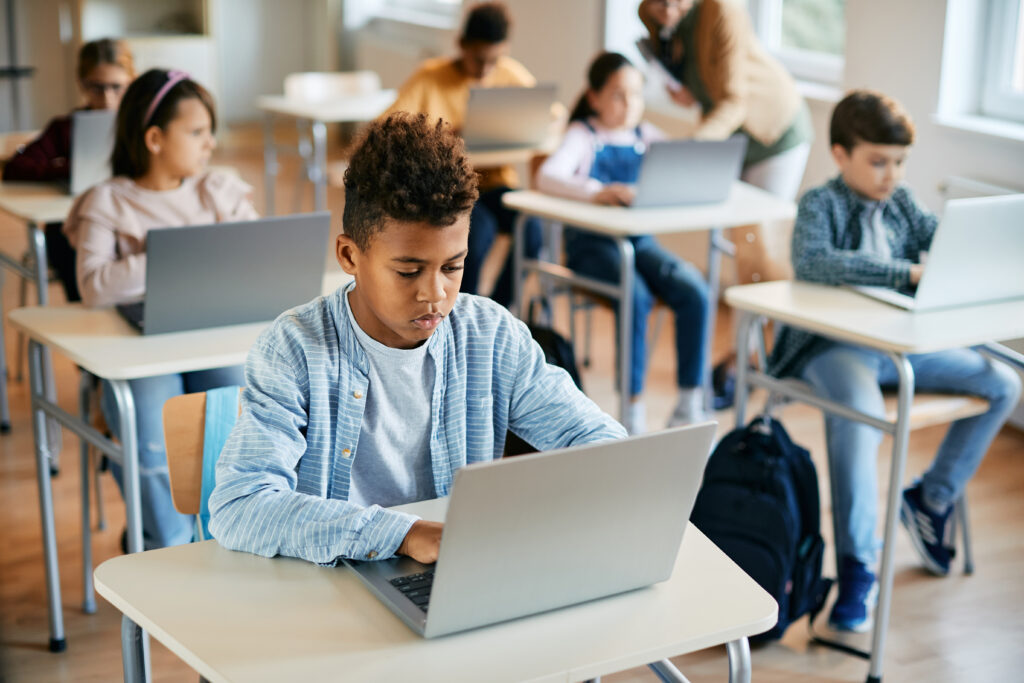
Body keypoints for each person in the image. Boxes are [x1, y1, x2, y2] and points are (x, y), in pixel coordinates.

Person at [208, 112, 626, 565]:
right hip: (328, 581)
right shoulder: (293, 349)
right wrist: (403, 535)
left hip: (451, 572)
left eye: (453, 266)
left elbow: (594, 439)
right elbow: (241, 505)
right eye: (408, 271)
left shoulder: (492, 335)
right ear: (350, 255)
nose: (436, 294)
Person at [769, 90, 1022, 633]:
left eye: (900, 161)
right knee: (861, 418)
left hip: (899, 346)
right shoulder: (821, 202)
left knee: (1003, 384)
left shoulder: (903, 202)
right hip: (829, 347)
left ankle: (931, 499)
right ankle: (859, 567)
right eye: (878, 161)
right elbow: (814, 261)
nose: (891, 174)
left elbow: (946, 242)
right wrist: (904, 273)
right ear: (840, 154)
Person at [64, 69, 258, 549]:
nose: (209, 144)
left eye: (210, 132)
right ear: (154, 138)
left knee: (238, 422)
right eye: (196, 133)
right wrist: (178, 256)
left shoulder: (219, 190)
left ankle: (222, 539)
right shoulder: (108, 201)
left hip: (212, 338)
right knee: (151, 435)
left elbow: (254, 252)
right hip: (138, 346)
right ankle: (165, 546)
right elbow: (93, 285)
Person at [536, 52, 710, 435]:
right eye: (618, 95)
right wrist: (597, 191)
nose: (629, 104)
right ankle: (632, 408)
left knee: (695, 290)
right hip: (593, 250)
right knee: (637, 296)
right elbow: (548, 176)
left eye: (636, 94)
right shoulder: (583, 135)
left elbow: (686, 163)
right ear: (595, 97)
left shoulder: (646, 136)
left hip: (639, 246)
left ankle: (688, 404)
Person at [382, 1, 542, 307]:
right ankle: (460, 309)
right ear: (461, 46)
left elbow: (550, 116)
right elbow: (388, 127)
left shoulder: (510, 75)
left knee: (533, 229)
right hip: (449, 189)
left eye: (494, 60)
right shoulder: (431, 77)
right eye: (478, 59)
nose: (485, 70)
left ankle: (496, 308)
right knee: (476, 233)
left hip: (494, 184)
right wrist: (444, 137)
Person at [636, 0, 813, 201]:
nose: (667, 10)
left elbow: (734, 102)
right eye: (659, 4)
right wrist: (691, 91)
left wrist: (695, 144)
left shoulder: (723, 11)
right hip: (728, 135)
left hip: (773, 129)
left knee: (760, 223)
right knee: (725, 220)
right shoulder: (649, 15)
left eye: (675, 2)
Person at [3, 38, 136, 302]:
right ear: (82, 84)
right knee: (72, 243)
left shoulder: (145, 129)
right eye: (97, 88)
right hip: (74, 231)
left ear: (132, 82)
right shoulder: (67, 128)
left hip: (130, 221)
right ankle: (87, 313)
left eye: (117, 87)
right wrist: (69, 170)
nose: (107, 98)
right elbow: (16, 168)